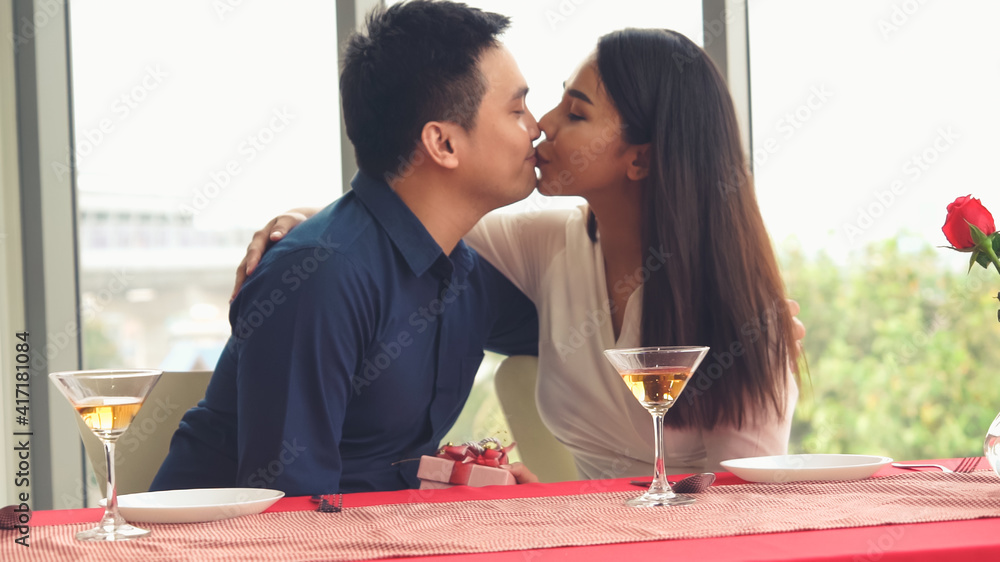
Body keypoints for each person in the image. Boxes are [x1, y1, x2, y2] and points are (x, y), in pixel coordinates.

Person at [238, 28, 805, 480]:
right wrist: (301, 226)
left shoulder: (740, 316)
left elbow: (752, 507)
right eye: (530, 108)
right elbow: (402, 219)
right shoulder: (545, 247)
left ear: (639, 159)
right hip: (587, 535)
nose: (543, 127)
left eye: (575, 113)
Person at [151, 0, 543, 496]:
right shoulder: (319, 277)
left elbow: (583, 334)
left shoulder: (465, 272)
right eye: (516, 109)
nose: (536, 126)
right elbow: (292, 505)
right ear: (442, 144)